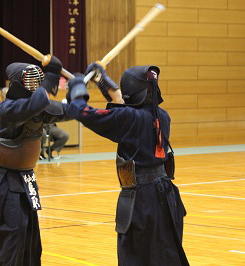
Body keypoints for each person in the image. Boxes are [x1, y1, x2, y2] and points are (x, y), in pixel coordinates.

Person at [66, 63, 189, 265]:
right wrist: (103, 81)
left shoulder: (128, 119)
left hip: (141, 200)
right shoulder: (163, 116)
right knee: (165, 258)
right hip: (166, 199)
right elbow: (125, 103)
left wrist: (78, 88)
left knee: (135, 257)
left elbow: (81, 112)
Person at [0, 56, 70, 265]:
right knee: (9, 238)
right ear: (19, 84)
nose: (35, 85)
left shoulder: (37, 106)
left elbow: (69, 109)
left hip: (23, 181)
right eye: (31, 81)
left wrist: (79, 86)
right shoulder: (8, 109)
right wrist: (52, 75)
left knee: (28, 237)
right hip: (0, 182)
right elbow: (38, 102)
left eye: (38, 80)